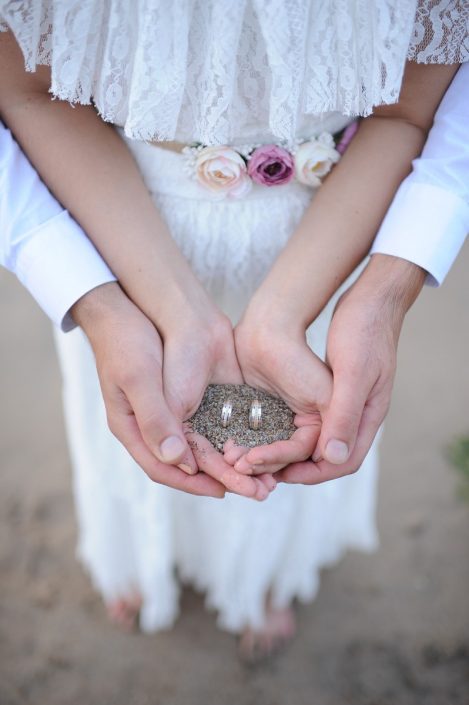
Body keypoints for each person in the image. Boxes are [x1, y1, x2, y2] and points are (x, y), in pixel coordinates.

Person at [0, 1, 466, 660]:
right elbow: (29, 89)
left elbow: (409, 109)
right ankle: (137, 557)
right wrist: (109, 306)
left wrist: (352, 301)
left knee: (300, 414)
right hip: (117, 219)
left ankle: (268, 574)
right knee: (139, 396)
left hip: (335, 224)